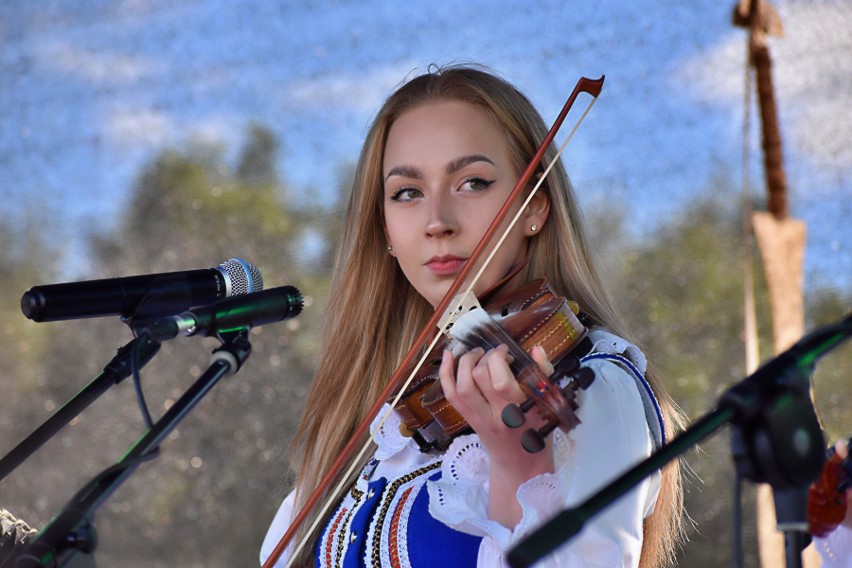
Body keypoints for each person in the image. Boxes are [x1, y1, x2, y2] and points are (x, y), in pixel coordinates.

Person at [261, 63, 686, 568]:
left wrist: (518, 469)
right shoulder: (381, 418)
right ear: (387, 234)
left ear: (535, 209)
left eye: (472, 183)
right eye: (407, 193)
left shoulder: (595, 385)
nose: (437, 221)